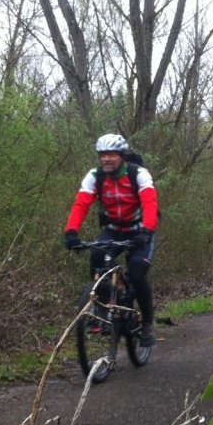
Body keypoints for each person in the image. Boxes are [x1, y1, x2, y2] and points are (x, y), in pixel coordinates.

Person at [63, 133, 158, 347]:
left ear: (122, 156)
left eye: (111, 154)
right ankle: (102, 306)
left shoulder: (139, 174)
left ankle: (147, 323)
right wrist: (71, 232)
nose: (106, 159)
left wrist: (147, 230)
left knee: (136, 270)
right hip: (114, 230)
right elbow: (81, 204)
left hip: (141, 230)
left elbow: (150, 203)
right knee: (97, 256)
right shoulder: (95, 176)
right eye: (102, 155)